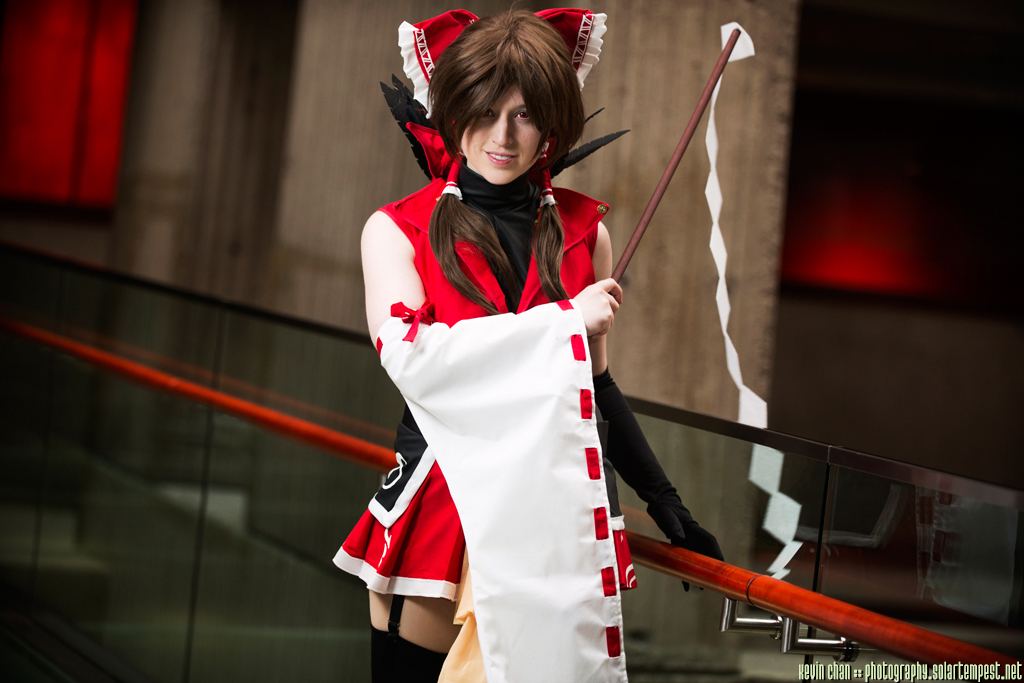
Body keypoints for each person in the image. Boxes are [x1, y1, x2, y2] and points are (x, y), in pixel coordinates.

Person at [333, 9, 724, 682]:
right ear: (454, 110)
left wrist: (669, 507)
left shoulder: (585, 233)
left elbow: (595, 389)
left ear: (551, 123)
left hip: (553, 521)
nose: (503, 136)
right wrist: (567, 321)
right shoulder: (396, 229)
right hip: (446, 512)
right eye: (485, 112)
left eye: (525, 115)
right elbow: (414, 359)